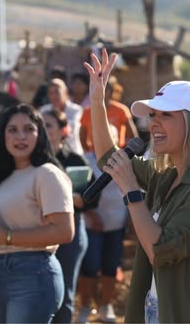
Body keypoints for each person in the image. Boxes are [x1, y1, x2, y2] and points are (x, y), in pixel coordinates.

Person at [84, 50, 190, 323]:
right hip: (154, 311)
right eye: (153, 115)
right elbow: (110, 158)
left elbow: (160, 250)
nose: (153, 123)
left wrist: (132, 193)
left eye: (166, 115)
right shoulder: (165, 174)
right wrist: (97, 100)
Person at [0, 104, 75, 323]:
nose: (21, 136)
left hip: (32, 273)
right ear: (2, 135)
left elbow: (65, 232)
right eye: (13, 129)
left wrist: (6, 237)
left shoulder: (47, 173)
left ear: (40, 134)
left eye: (29, 129)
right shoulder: (2, 178)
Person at [42, 108, 94, 324]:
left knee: (64, 294)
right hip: (39, 231)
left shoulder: (75, 160)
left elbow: (87, 200)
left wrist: (58, 193)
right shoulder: (32, 159)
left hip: (69, 232)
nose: (43, 129)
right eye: (40, 124)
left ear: (63, 130)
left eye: (49, 125)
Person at [77, 123, 128, 324]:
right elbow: (78, 193)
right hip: (91, 225)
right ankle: (84, 308)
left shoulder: (126, 161)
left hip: (116, 223)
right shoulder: (85, 161)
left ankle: (106, 306)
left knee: (110, 266)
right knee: (89, 267)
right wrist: (90, 214)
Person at [80, 77, 138, 153]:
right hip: (95, 153)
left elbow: (132, 135)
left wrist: (125, 152)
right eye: (98, 89)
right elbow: (82, 135)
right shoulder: (87, 112)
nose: (101, 92)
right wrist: (89, 152)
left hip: (117, 152)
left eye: (104, 89)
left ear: (111, 92)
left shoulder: (121, 110)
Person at [40, 78, 84, 155]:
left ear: (65, 92)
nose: (54, 96)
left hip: (74, 153)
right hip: (50, 153)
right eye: (51, 93)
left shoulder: (76, 110)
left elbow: (71, 129)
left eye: (57, 92)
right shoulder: (44, 110)